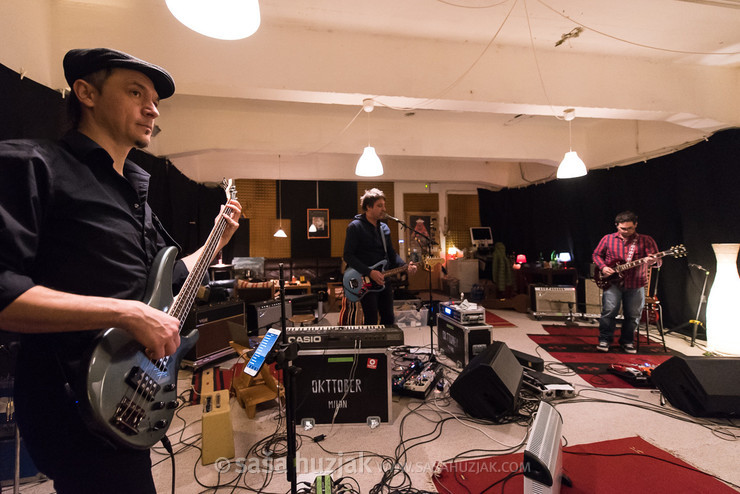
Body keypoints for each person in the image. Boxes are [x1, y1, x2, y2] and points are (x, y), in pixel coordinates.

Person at [0, 48, 242, 493]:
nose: (152, 108)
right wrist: (126, 314)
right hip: (72, 402)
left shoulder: (134, 196)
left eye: (155, 100)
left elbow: (164, 280)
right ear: (86, 92)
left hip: (128, 393)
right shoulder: (33, 164)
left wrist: (216, 241)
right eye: (136, 92)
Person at [343, 188, 417, 326]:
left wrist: (406, 266)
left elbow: (391, 254)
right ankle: (371, 347)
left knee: (388, 318)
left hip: (384, 280)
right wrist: (369, 272)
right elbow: (348, 255)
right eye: (379, 206)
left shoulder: (384, 228)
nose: (384, 209)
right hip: (365, 280)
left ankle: (388, 347)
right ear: (368, 207)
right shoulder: (355, 227)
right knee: (370, 320)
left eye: (384, 205)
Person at [592, 211, 659, 354]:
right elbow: (596, 254)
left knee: (633, 315)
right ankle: (605, 340)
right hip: (613, 283)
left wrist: (653, 261)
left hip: (636, 283)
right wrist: (603, 267)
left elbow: (658, 262)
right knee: (609, 312)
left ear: (636, 225)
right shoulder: (608, 239)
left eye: (630, 228)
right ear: (617, 226)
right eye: (623, 228)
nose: (627, 231)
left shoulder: (646, 240)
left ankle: (627, 341)